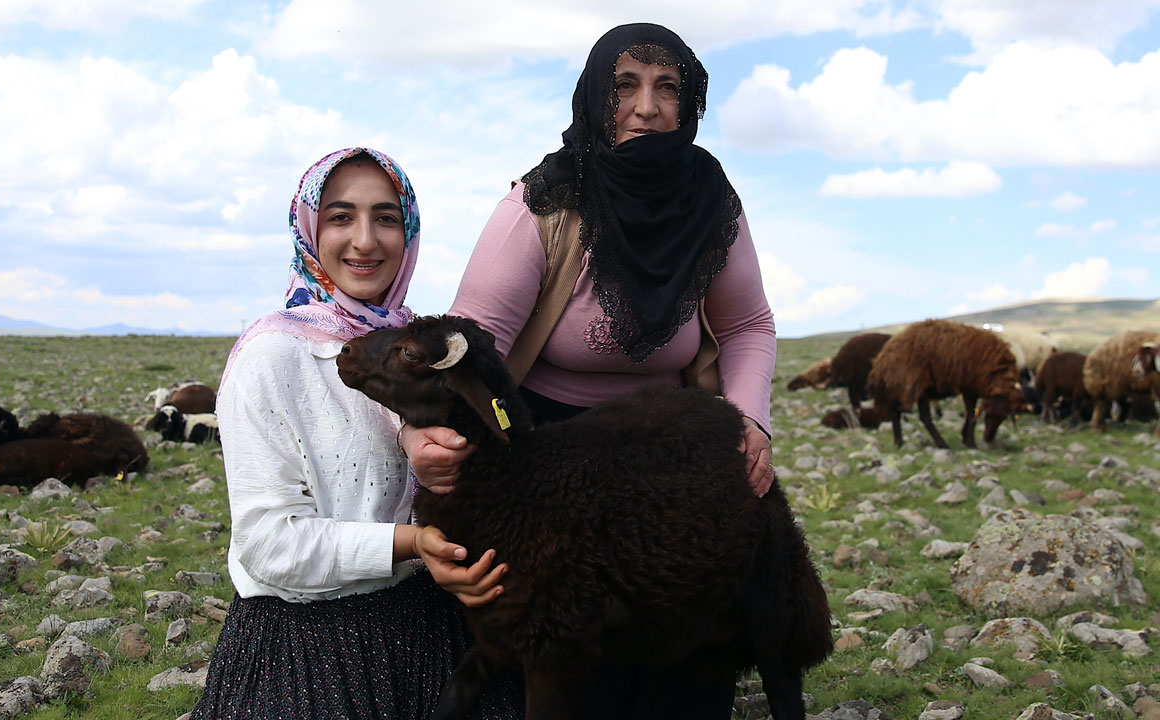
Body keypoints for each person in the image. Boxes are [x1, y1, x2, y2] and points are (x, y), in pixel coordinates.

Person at [403, 23, 778, 719]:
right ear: (593, 97)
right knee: (570, 654)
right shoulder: (543, 203)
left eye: (668, 87)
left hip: (665, 443)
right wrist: (418, 436)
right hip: (551, 453)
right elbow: (470, 345)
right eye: (625, 85)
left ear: (690, 103)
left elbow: (748, 325)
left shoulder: (711, 201)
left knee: (687, 645)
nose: (646, 107)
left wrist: (750, 419)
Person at [189, 147, 521, 720]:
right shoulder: (272, 357)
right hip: (309, 651)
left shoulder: (418, 347)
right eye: (341, 217)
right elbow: (267, 544)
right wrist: (413, 546)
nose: (365, 240)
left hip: (433, 629)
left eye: (386, 217)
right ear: (309, 228)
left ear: (409, 230)